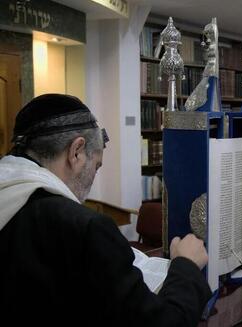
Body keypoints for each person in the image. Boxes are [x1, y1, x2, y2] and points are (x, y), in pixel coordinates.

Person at [0, 94, 212, 326]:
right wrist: (187, 267)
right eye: (97, 166)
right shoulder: (87, 228)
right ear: (77, 151)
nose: (91, 181)